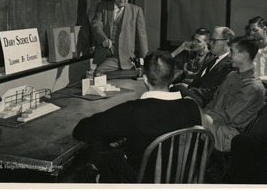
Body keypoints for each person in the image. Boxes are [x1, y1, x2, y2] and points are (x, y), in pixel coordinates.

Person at [72, 50, 213, 183]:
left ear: (145, 79)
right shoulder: (191, 106)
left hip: (145, 182)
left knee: (109, 158)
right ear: (171, 77)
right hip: (182, 180)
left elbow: (81, 131)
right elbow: (208, 130)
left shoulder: (132, 111)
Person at [204, 36, 265, 152]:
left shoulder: (252, 87)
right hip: (214, 122)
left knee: (187, 127)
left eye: (232, 52)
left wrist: (201, 116)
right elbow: (214, 100)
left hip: (226, 134)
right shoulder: (231, 75)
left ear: (244, 56)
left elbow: (226, 116)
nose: (228, 56)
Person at [170, 26, 235, 107]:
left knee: (176, 89)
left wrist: (188, 90)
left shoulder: (230, 65)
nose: (210, 43)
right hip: (195, 97)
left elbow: (215, 92)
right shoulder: (212, 60)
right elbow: (198, 82)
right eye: (211, 40)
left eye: (213, 40)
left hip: (206, 104)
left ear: (225, 42)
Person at [91, 0, 148, 72]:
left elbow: (142, 39)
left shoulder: (136, 11)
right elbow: (96, 25)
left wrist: (145, 62)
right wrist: (103, 39)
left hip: (124, 58)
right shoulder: (103, 7)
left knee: (98, 73)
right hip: (103, 55)